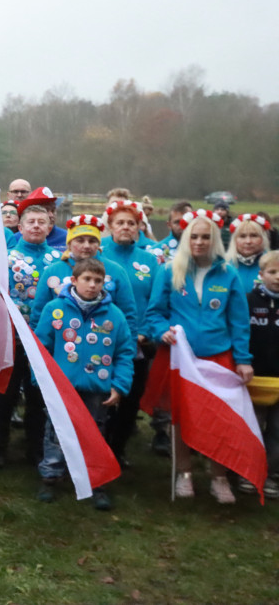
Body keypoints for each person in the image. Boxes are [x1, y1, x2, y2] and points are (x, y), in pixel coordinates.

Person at [145, 209, 253, 503]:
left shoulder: (228, 274)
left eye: (206, 237)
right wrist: (161, 331)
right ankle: (184, 473)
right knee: (182, 417)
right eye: (194, 236)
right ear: (185, 238)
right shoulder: (170, 270)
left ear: (215, 239)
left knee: (220, 418)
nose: (199, 242)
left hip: (219, 357)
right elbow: (154, 313)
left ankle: (219, 477)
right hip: (182, 358)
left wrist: (243, 359)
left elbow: (239, 321)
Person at [34, 258, 134, 510]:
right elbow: (40, 348)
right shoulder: (54, 309)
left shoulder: (115, 316)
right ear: (74, 280)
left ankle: (95, 480)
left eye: (98, 281)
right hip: (62, 387)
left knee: (94, 433)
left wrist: (119, 386)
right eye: (87, 279)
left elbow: (125, 353)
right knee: (56, 431)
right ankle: (51, 476)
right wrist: (41, 381)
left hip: (97, 388)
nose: (92, 285)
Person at [0, 204, 59, 467]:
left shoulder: (59, 261)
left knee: (39, 398)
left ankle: (35, 448)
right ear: (20, 227)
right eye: (31, 222)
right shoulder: (5, 259)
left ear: (49, 228)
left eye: (42, 222)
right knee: (4, 395)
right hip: (11, 340)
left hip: (46, 342)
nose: (37, 226)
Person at [100, 200, 161, 467]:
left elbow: (156, 301)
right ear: (110, 226)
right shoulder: (99, 254)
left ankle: (118, 449)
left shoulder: (150, 260)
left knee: (130, 398)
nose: (126, 227)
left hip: (137, 342)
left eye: (131, 223)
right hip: (101, 339)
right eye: (120, 223)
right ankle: (97, 448)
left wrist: (144, 333)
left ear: (139, 227)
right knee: (102, 397)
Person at [30, 215, 139, 351]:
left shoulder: (116, 271)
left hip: (103, 347)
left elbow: (128, 315)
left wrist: (129, 351)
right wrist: (36, 353)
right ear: (69, 244)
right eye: (80, 240)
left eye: (92, 241)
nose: (86, 246)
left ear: (99, 244)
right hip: (61, 348)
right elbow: (38, 315)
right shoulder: (53, 271)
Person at [246, 251, 279, 499]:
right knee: (253, 427)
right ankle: (248, 471)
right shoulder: (248, 300)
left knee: (277, 429)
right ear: (261, 274)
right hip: (253, 378)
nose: (278, 277)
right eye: (272, 272)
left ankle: (270, 473)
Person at [226, 213, 271, 293]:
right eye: (242, 236)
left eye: (254, 236)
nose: (248, 241)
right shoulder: (224, 265)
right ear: (234, 240)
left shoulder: (274, 264)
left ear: (263, 238)